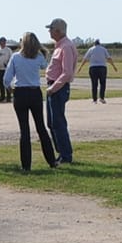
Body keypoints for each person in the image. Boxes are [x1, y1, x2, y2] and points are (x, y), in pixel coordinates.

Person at [7, 33, 58, 171]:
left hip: (20, 92)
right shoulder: (38, 57)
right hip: (34, 92)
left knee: (24, 130)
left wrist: (10, 89)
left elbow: (7, 78)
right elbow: (45, 66)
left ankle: (26, 165)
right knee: (41, 127)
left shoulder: (15, 57)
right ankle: (51, 160)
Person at [44, 18, 76, 165]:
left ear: (58, 31)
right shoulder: (59, 46)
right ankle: (61, 153)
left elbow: (67, 72)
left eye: (51, 29)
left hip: (58, 88)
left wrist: (53, 88)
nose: (49, 32)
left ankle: (66, 155)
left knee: (58, 123)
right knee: (51, 123)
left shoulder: (66, 47)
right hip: (54, 87)